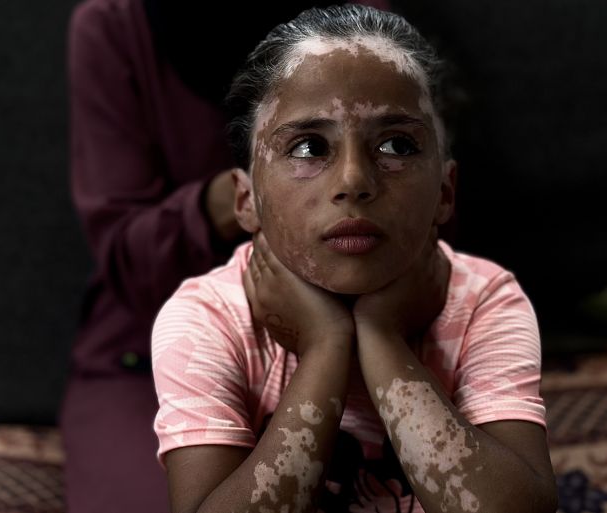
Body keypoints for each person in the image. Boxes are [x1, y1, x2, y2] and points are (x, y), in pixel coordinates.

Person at [151, 4, 558, 513]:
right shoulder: (206, 319)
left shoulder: (483, 301)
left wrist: (381, 335)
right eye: (307, 148)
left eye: (395, 144)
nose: (353, 182)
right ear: (246, 201)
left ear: (445, 193)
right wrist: (325, 346)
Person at [61, 0, 387, 512]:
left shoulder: (358, 21)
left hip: (357, 315)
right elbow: (124, 252)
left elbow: (412, 206)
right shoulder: (114, 25)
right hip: (146, 339)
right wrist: (238, 199)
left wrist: (339, 336)